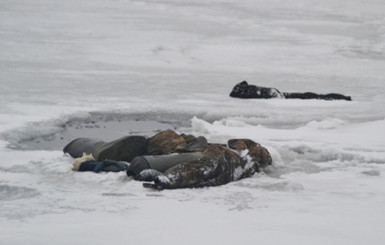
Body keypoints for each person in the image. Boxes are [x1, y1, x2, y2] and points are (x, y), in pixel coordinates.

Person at [64, 130, 272, 189]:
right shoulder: (241, 165)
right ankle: (100, 155)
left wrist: (168, 179)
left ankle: (89, 150)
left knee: (167, 147)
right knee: (175, 148)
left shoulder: (227, 157)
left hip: (196, 155)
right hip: (196, 154)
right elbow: (200, 170)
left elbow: (200, 169)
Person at [230, 81, 352, 101]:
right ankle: (344, 98)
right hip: (278, 94)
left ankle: (343, 98)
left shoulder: (240, 92)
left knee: (312, 96)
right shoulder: (242, 91)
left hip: (277, 95)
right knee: (312, 96)